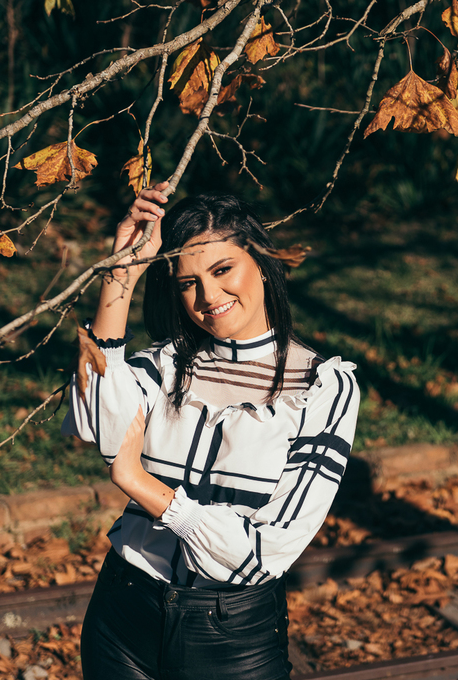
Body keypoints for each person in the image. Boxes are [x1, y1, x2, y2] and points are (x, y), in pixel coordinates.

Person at [62, 183, 359, 680]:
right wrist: (121, 274)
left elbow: (265, 554)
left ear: (261, 263)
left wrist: (142, 487)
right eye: (188, 283)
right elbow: (99, 427)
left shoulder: (321, 387)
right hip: (123, 614)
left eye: (223, 270)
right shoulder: (166, 366)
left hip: (230, 638)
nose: (208, 296)